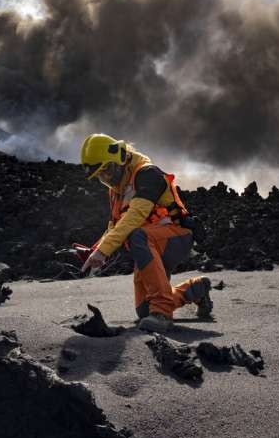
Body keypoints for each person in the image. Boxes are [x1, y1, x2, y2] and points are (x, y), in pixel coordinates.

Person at [79, 133, 213, 333]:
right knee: (144, 311)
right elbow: (115, 225)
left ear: (119, 159)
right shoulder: (117, 189)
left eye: (106, 170)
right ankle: (195, 289)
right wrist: (93, 250)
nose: (105, 178)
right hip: (150, 246)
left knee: (137, 235)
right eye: (100, 175)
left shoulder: (147, 174)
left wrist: (104, 251)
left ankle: (162, 315)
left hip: (176, 238)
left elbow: (135, 216)